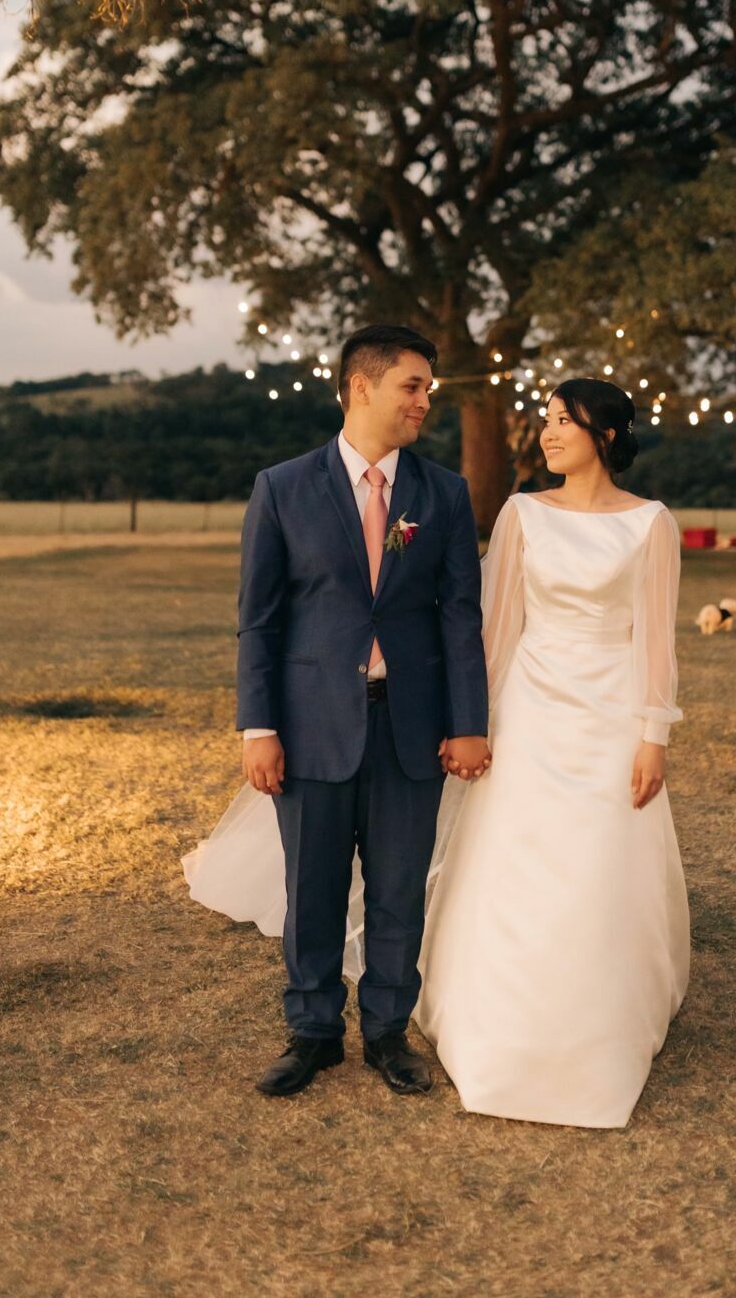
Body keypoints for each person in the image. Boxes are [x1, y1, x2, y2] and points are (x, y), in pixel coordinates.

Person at [185, 324, 490, 1099]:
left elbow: (460, 616)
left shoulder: (443, 494)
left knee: (397, 889)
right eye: (411, 386)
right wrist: (259, 728)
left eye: (427, 390)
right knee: (312, 890)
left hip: (410, 728)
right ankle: (313, 1032)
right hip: (310, 725)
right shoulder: (282, 488)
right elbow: (259, 621)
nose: (423, 402)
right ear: (361, 387)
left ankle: (387, 1032)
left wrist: (467, 722)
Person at [415, 380, 690, 1126]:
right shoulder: (522, 513)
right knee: (518, 857)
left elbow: (655, 642)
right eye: (547, 420)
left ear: (605, 434)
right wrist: (470, 721)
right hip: (529, 711)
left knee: (597, 861)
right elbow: (495, 628)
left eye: (564, 420)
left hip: (610, 715)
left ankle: (595, 1023)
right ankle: (495, 1018)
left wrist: (653, 737)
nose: (548, 432)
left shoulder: (651, 524)